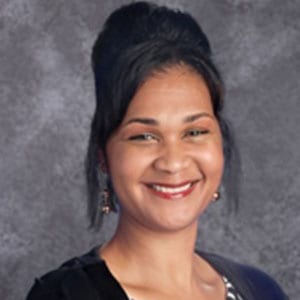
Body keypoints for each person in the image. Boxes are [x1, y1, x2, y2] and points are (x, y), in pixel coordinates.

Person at [26, 2, 288, 300]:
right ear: (103, 154)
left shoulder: (261, 290)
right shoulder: (67, 296)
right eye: (144, 136)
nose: (173, 162)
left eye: (195, 132)